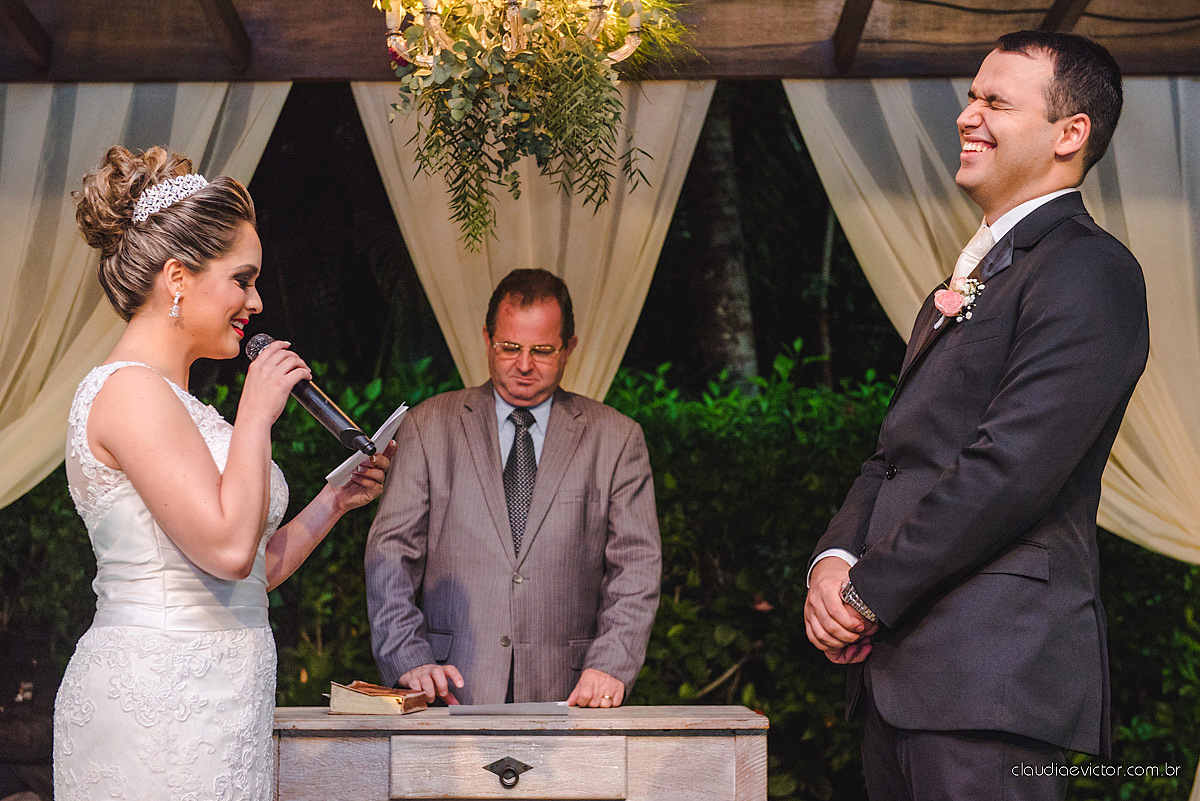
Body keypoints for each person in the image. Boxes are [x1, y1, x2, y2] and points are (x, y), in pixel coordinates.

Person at [803, 31, 1149, 801]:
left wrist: (868, 593)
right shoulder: (970, 277)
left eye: (996, 101)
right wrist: (833, 562)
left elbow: (1011, 468)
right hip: (904, 676)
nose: (968, 115)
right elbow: (892, 455)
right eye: (971, 96)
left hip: (990, 674)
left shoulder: (1089, 272)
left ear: (1070, 133)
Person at [52, 145, 393, 800]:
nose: (256, 300)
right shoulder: (126, 391)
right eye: (243, 278)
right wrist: (257, 412)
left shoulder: (181, 403)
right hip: (155, 710)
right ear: (178, 277)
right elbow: (229, 549)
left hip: (225, 705)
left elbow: (248, 567)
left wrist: (334, 501)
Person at [365, 269, 661, 707]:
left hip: (572, 691)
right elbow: (391, 553)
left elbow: (636, 566)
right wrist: (407, 656)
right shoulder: (428, 426)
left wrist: (611, 663)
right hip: (449, 687)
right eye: (510, 347)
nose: (524, 365)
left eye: (542, 350)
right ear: (487, 337)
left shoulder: (616, 439)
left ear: (569, 347)